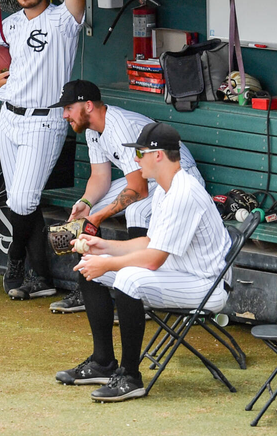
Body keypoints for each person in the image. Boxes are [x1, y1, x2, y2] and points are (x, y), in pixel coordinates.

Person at [60, 122, 232, 403]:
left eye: (140, 153)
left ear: (158, 155)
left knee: (128, 278)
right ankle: (103, 363)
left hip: (206, 284)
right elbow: (150, 243)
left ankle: (130, 377)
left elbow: (152, 260)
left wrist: (110, 264)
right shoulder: (166, 188)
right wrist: (104, 247)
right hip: (181, 270)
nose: (135, 159)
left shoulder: (183, 193)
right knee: (92, 262)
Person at [0, 0, 89, 301]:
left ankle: (14, 261)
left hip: (44, 120)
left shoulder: (61, 20)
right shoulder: (10, 23)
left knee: (23, 200)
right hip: (9, 117)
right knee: (20, 201)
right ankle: (41, 277)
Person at [52, 79, 205, 313]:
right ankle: (89, 286)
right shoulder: (92, 129)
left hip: (177, 175)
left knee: (136, 210)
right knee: (88, 212)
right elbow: (99, 177)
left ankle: (141, 295)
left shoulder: (119, 126)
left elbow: (138, 190)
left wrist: (99, 216)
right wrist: (86, 204)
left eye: (68, 108)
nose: (64, 115)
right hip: (148, 174)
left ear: (88, 106)